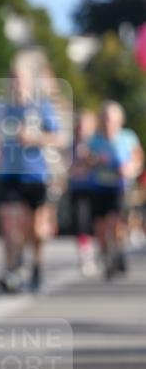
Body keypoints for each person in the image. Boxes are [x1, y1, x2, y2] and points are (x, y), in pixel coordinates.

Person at [0, 67, 62, 293]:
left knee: (36, 229)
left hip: (35, 174)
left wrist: (35, 138)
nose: (17, 84)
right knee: (8, 222)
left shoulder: (42, 108)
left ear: (30, 83)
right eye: (13, 79)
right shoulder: (2, 109)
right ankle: (11, 269)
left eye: (21, 80)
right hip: (9, 174)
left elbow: (58, 138)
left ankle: (37, 266)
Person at [87, 101, 140, 278]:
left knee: (116, 224)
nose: (107, 121)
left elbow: (138, 160)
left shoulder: (128, 137)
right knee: (101, 228)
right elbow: (85, 160)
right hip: (99, 187)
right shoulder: (94, 140)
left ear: (119, 120)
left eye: (110, 118)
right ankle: (106, 258)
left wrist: (129, 168)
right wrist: (94, 161)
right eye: (104, 118)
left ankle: (117, 252)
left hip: (119, 187)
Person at [68, 109, 99, 276]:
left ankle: (105, 253)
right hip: (78, 189)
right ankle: (85, 257)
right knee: (81, 223)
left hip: (98, 188)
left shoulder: (97, 143)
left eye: (86, 126)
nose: (82, 129)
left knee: (98, 224)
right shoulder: (71, 145)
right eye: (80, 125)